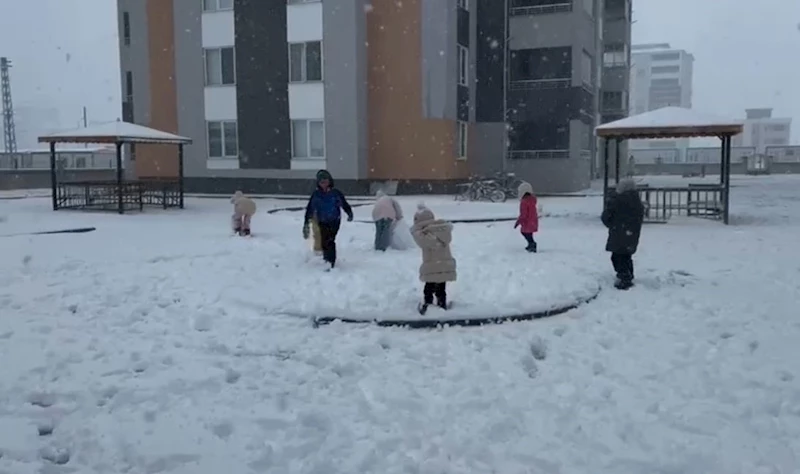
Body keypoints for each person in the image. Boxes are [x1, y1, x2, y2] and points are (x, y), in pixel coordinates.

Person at [411, 203, 457, 314]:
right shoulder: (442, 229)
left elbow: (423, 242)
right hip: (444, 263)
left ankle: (428, 306)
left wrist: (415, 229)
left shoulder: (425, 233)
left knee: (429, 287)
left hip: (432, 265)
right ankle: (442, 304)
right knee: (441, 288)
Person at [303, 170, 353, 269]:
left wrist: (349, 213)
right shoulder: (316, 195)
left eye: (326, 181)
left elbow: (344, 204)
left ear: (330, 181)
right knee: (324, 241)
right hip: (322, 221)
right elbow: (310, 209)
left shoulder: (335, 193)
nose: (324, 184)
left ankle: (331, 262)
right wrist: (306, 222)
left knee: (330, 240)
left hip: (334, 220)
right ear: (318, 183)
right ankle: (327, 260)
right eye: (321, 182)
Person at [601, 178, 645, 290]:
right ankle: (628, 274)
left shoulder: (617, 200)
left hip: (619, 232)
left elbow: (606, 216)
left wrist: (612, 224)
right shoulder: (636, 201)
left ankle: (624, 278)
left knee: (617, 256)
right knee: (626, 255)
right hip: (631, 233)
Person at [513, 181, 539, 252]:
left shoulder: (524, 202)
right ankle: (531, 244)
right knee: (529, 233)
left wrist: (518, 222)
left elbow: (523, 214)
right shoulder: (532, 200)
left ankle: (532, 244)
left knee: (525, 232)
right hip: (533, 220)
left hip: (527, 221)